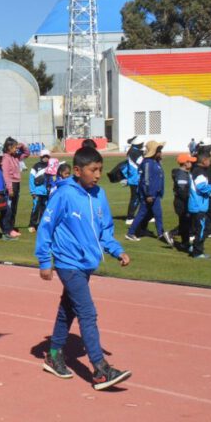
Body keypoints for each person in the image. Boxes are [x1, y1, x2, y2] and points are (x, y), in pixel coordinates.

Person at [37, 146, 133, 391]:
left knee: (67, 310)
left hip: (87, 263)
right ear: (78, 171)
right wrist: (45, 261)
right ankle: (100, 369)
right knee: (87, 313)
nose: (98, 175)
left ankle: (54, 355)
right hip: (68, 263)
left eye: (100, 169)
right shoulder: (64, 195)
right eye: (93, 170)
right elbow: (46, 227)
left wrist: (117, 250)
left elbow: (105, 230)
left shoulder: (99, 194)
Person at [126, 141, 172, 244]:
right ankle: (131, 232)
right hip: (149, 194)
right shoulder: (148, 163)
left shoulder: (155, 162)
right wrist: (148, 194)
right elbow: (146, 180)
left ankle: (156, 232)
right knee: (143, 213)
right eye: (159, 151)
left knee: (155, 213)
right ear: (154, 152)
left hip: (155, 193)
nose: (161, 153)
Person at [188, 152, 211, 259]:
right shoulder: (199, 172)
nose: (210, 162)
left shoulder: (196, 171)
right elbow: (201, 187)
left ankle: (195, 246)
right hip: (198, 205)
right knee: (202, 229)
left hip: (197, 205)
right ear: (204, 161)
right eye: (209, 160)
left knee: (206, 227)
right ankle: (197, 252)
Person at [0, 137, 28, 239]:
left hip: (17, 184)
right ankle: (6, 229)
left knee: (14, 208)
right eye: (15, 147)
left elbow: (27, 153)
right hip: (11, 185)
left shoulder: (15, 156)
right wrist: (10, 189)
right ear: (9, 147)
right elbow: (6, 175)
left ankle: (11, 228)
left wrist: (22, 146)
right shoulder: (6, 158)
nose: (16, 149)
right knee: (9, 209)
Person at [171, 154, 195, 249]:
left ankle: (185, 243)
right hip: (182, 203)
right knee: (185, 223)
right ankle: (172, 235)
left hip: (183, 201)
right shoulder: (181, 175)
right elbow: (182, 191)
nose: (192, 163)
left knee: (186, 223)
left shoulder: (185, 173)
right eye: (190, 161)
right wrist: (190, 200)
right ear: (185, 163)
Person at [28, 151, 51, 233]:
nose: (46, 158)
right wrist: (32, 191)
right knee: (36, 208)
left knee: (44, 209)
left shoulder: (50, 166)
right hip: (37, 192)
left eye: (47, 156)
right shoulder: (36, 166)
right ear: (41, 157)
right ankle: (32, 225)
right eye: (44, 156)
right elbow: (31, 178)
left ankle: (41, 225)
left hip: (46, 192)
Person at [124, 137, 145, 224]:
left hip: (134, 178)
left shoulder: (133, 151)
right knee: (135, 198)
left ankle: (147, 215)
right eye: (142, 144)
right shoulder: (135, 152)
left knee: (140, 198)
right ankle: (130, 217)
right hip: (135, 179)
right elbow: (142, 162)